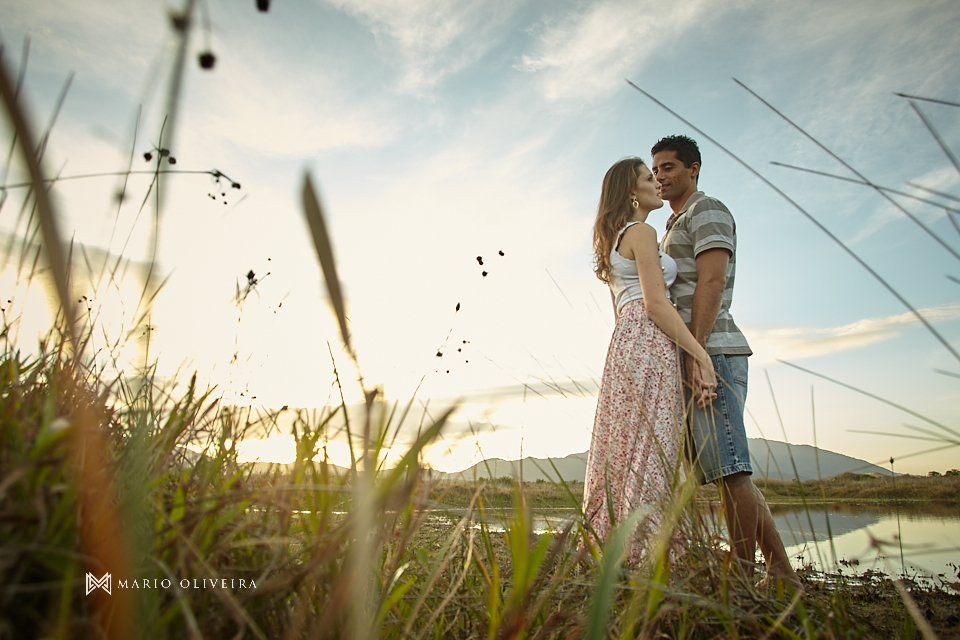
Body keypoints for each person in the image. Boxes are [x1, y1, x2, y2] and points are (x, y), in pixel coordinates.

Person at [651, 134, 801, 591]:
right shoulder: (671, 224)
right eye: (655, 170)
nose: (660, 177)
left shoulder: (706, 209)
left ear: (694, 169)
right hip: (694, 352)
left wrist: (697, 353)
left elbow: (712, 282)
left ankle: (742, 577)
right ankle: (784, 576)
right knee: (724, 470)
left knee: (731, 468)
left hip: (712, 351)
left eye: (670, 168)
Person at [582, 157, 717, 565]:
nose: (656, 182)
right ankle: (647, 555)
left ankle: (619, 549)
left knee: (625, 445)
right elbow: (656, 304)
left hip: (625, 342)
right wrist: (700, 355)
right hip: (649, 338)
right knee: (652, 446)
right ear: (630, 191)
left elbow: (622, 310)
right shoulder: (642, 231)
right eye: (647, 177)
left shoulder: (614, 240)